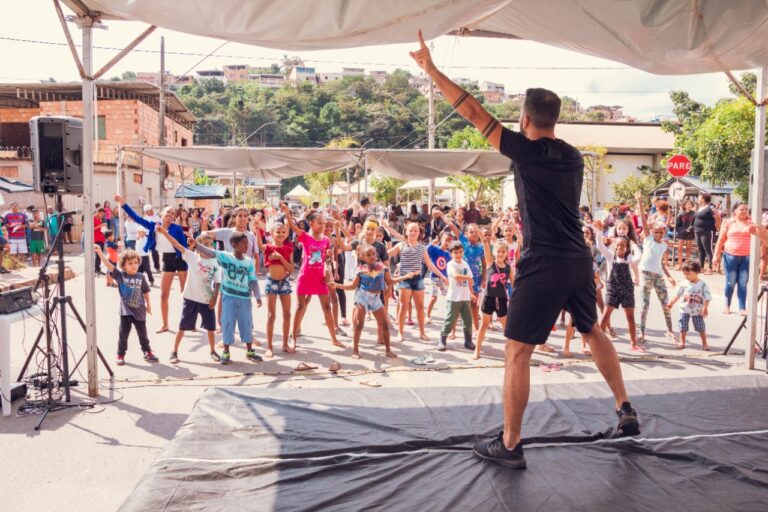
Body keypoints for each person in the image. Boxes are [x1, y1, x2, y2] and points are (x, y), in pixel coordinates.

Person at [409, 30, 638, 469]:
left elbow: (473, 110)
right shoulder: (572, 156)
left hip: (545, 261)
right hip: (578, 258)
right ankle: (624, 407)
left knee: (517, 351)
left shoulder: (525, 151)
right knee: (592, 331)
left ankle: (510, 444)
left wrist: (431, 69)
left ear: (525, 119)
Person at [115, 194, 188, 333]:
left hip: (180, 259)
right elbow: (137, 218)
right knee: (163, 295)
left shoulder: (177, 228)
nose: (170, 215)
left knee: (185, 294)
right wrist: (123, 204)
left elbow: (183, 247)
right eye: (168, 212)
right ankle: (165, 324)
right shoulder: (154, 226)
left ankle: (187, 322)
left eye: (172, 213)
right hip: (167, 260)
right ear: (161, 214)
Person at [192, 231, 263, 365]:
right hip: (229, 297)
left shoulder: (249, 262)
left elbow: (253, 280)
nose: (247, 246)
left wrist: (258, 296)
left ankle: (249, 351)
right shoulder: (225, 256)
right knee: (228, 323)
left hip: (244, 299)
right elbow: (211, 252)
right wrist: (197, 246)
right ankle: (226, 352)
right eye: (243, 243)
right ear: (234, 245)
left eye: (248, 243)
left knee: (246, 324)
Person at [281, 204, 345, 351]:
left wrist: (328, 270)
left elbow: (326, 259)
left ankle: (334, 338)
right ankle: (293, 338)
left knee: (326, 307)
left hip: (320, 279)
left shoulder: (326, 240)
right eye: (320, 223)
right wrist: (287, 214)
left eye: (324, 223)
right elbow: (292, 226)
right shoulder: (305, 237)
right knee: (300, 306)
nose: (323, 226)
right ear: (311, 224)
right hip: (305, 278)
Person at [156, 226, 222, 364]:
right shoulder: (192, 257)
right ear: (197, 246)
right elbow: (176, 244)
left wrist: (214, 298)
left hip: (206, 300)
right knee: (183, 326)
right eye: (205, 245)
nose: (208, 248)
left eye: (210, 245)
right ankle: (174, 351)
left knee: (210, 327)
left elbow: (217, 282)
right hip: (191, 298)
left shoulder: (215, 262)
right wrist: (164, 232)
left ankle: (212, 351)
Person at [330, 244, 402, 359]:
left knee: (384, 324)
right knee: (359, 324)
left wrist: (405, 277)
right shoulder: (361, 270)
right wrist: (337, 285)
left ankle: (388, 350)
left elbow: (390, 281)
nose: (372, 256)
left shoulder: (382, 267)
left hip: (376, 298)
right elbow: (352, 286)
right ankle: (355, 349)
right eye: (369, 255)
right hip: (362, 297)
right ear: (363, 257)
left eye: (373, 254)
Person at [384, 221, 448, 342]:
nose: (413, 232)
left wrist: (442, 276)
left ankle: (422, 332)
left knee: (419, 307)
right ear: (406, 232)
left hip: (418, 280)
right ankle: (400, 333)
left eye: (415, 231)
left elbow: (430, 265)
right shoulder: (401, 245)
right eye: (411, 230)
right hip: (404, 280)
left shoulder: (422, 248)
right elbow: (386, 254)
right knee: (403, 307)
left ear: (419, 233)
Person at [94, 246, 158, 366]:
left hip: (140, 311)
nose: (133, 265)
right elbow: (108, 265)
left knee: (143, 334)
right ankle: (120, 354)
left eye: (135, 262)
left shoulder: (141, 276)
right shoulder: (120, 276)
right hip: (126, 312)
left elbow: (145, 291)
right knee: (123, 335)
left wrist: (148, 305)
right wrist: (99, 252)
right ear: (123, 266)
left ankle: (147, 351)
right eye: (130, 263)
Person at [635, 193, 676, 342]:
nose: (658, 234)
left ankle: (670, 330)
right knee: (645, 305)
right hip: (646, 274)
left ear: (664, 233)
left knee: (666, 304)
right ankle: (642, 332)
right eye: (656, 232)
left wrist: (669, 276)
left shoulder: (664, 244)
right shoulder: (648, 239)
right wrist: (639, 201)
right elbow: (644, 221)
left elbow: (661, 263)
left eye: (661, 232)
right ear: (652, 232)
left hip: (658, 275)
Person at [255, 221, 295, 357]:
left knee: (287, 314)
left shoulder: (288, 248)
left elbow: (291, 268)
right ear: (271, 234)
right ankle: (270, 346)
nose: (281, 234)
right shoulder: (269, 248)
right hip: (271, 281)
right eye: (278, 232)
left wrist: (280, 257)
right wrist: (256, 229)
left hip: (284, 282)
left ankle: (284, 344)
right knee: (271, 315)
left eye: (283, 232)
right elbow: (260, 245)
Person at [596, 235, 641, 350]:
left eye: (623, 245)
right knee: (605, 316)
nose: (620, 247)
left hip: (627, 290)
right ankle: (598, 342)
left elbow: (639, 256)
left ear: (627, 247)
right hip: (613, 289)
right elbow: (600, 246)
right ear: (615, 246)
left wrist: (634, 245)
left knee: (630, 318)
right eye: (618, 245)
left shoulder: (629, 259)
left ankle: (633, 343)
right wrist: (599, 231)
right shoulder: (610, 257)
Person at [473, 240, 512, 359]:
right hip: (488, 299)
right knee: (483, 326)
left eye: (503, 252)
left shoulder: (509, 268)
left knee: (506, 328)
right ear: (494, 252)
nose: (500, 254)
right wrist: (481, 234)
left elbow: (515, 284)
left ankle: (510, 353)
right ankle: (477, 351)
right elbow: (485, 246)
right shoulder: (490, 263)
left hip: (501, 300)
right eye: (498, 251)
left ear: (506, 253)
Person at [714, 202, 753, 316]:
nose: (745, 211)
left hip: (746, 257)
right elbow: (721, 240)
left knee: (743, 283)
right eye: (742, 209)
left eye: (746, 209)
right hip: (730, 256)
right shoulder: (728, 222)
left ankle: (742, 307)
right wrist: (716, 255)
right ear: (735, 211)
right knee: (730, 282)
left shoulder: (751, 223)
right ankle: (727, 305)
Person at [665, 260, 712, 350]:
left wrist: (705, 308)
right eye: (685, 274)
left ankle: (705, 343)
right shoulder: (683, 284)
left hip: (698, 311)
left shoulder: (702, 285)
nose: (686, 276)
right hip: (684, 309)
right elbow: (677, 294)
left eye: (688, 274)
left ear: (697, 272)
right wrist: (671, 303)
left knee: (701, 327)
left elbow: (707, 297)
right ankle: (682, 342)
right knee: (683, 326)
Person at [438, 241, 476, 351]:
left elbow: (470, 282)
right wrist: (469, 278)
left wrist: (472, 293)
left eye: (460, 252)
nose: (458, 255)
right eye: (455, 252)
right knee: (450, 320)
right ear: (451, 253)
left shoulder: (465, 264)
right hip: (454, 298)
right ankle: (442, 339)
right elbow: (456, 276)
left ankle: (468, 341)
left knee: (468, 320)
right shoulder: (451, 264)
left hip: (465, 297)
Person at [426, 233, 453, 322]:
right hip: (434, 277)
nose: (447, 243)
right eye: (446, 240)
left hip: (444, 278)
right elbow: (426, 250)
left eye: (449, 241)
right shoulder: (435, 249)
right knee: (434, 297)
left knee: (449, 296)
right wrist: (433, 243)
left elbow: (450, 266)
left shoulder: (449, 254)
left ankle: (452, 314)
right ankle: (427, 315)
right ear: (441, 240)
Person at [693, 192, 720, 275]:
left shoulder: (711, 207)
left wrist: (717, 227)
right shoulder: (700, 207)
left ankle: (710, 267)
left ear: (703, 199)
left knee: (708, 249)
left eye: (699, 197)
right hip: (697, 231)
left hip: (707, 231)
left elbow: (718, 217)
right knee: (701, 250)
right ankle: (701, 267)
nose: (698, 199)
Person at [674, 199, 696, 270]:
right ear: (684, 205)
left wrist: (691, 228)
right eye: (687, 204)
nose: (689, 205)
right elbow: (677, 225)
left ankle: (687, 265)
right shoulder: (681, 214)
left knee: (688, 249)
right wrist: (682, 231)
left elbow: (695, 224)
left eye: (690, 204)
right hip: (681, 233)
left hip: (690, 233)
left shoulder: (694, 214)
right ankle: (680, 264)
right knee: (679, 248)